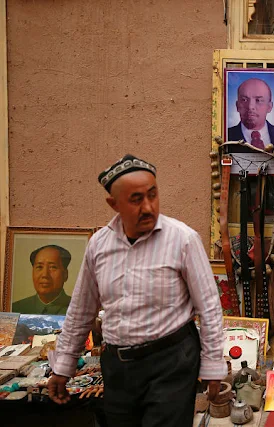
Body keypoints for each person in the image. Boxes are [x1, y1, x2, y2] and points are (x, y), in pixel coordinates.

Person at [47, 154, 226, 427]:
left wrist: (213, 368)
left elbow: (209, 307)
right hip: (119, 369)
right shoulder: (99, 245)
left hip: (173, 362)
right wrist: (63, 365)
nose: (148, 207)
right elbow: (82, 309)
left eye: (152, 195)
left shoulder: (183, 239)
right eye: (136, 199)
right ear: (113, 204)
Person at [12, 245, 73, 315]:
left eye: (52, 267)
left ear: (65, 274)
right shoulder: (15, 309)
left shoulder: (78, 309)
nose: (45, 275)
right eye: (39, 267)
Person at [227, 78, 274, 150]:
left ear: (269, 107)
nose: (250, 107)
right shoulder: (227, 135)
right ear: (237, 105)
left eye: (258, 100)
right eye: (244, 100)